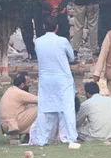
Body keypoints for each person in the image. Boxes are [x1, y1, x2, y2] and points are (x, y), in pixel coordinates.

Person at [31, 15, 78, 146]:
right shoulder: (63, 41)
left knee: (44, 108)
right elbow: (72, 57)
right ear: (57, 27)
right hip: (63, 79)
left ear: (44, 27)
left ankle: (41, 139)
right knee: (67, 108)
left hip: (46, 80)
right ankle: (71, 137)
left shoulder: (38, 42)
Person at [0, 72, 38, 140]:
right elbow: (40, 100)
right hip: (13, 125)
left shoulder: (11, 90)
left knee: (30, 109)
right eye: (28, 83)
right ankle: (31, 135)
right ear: (22, 85)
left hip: (7, 125)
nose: (30, 85)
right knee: (41, 109)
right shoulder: (18, 92)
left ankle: (28, 135)